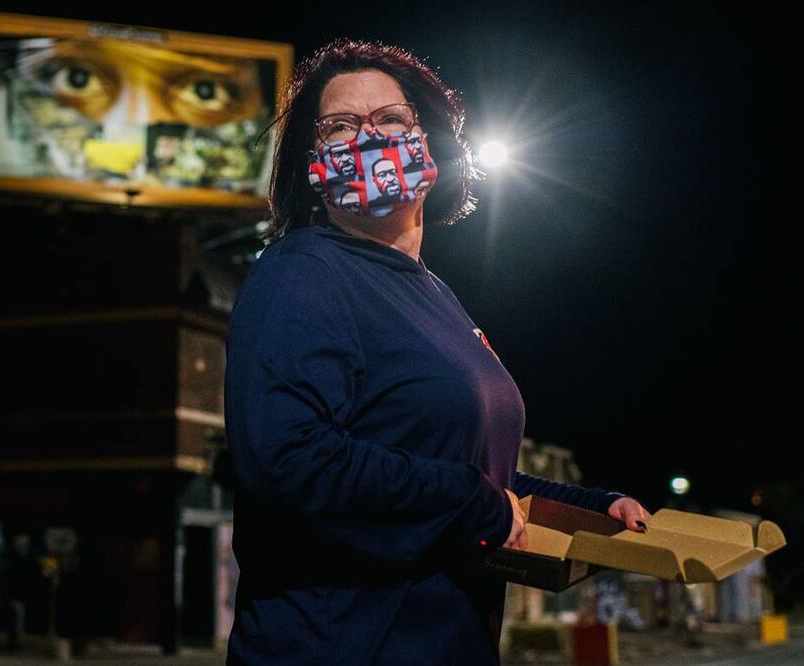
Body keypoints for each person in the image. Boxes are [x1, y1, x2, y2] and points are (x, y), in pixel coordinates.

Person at [223, 38, 651, 665]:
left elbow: (464, 464)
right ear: (312, 163)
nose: (368, 139)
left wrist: (589, 508)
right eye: (340, 126)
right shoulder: (300, 274)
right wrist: (471, 504)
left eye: (390, 119)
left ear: (430, 141)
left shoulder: (436, 297)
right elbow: (286, 458)